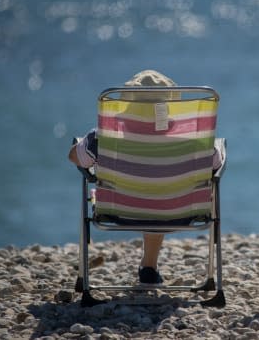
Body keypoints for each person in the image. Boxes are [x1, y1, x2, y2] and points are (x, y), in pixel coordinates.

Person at [68, 69, 223, 285]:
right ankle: (149, 267)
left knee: (145, 190)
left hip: (118, 211)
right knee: (159, 190)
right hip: (179, 211)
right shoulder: (192, 139)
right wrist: (218, 148)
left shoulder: (106, 136)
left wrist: (80, 143)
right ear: (168, 105)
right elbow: (216, 165)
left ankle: (93, 280)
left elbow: (75, 158)